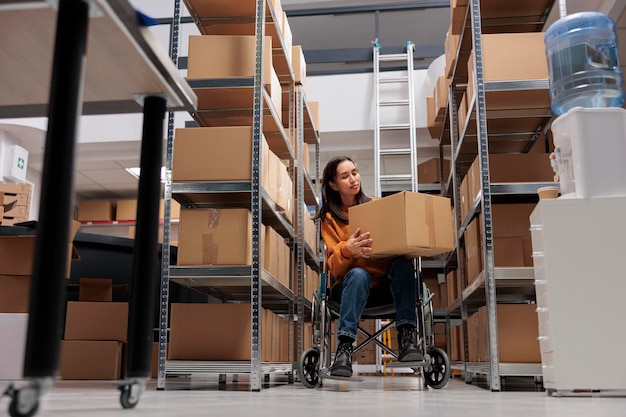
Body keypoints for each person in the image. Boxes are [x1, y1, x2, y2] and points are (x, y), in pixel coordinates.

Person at [317, 155, 422, 378]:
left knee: (403, 265)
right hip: (349, 288)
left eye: (354, 172)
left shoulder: (378, 207)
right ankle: (344, 350)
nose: (353, 179)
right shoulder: (329, 219)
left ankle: (406, 339)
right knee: (358, 274)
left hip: (385, 289)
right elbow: (334, 269)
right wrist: (348, 250)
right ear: (334, 185)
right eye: (345, 176)